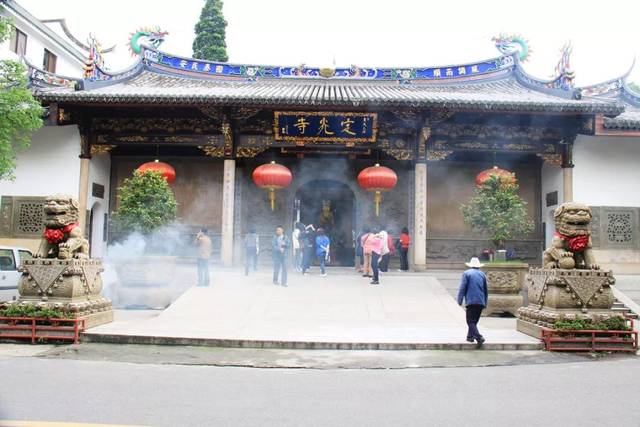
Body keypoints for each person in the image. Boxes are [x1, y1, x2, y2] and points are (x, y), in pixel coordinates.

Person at [457, 257, 489, 346]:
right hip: (481, 301)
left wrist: (459, 300)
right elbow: (486, 290)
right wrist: (485, 303)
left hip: (471, 301)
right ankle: (470, 336)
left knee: (470, 321)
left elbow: (462, 288)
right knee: (474, 321)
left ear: (470, 266)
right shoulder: (482, 275)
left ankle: (479, 337)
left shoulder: (467, 273)